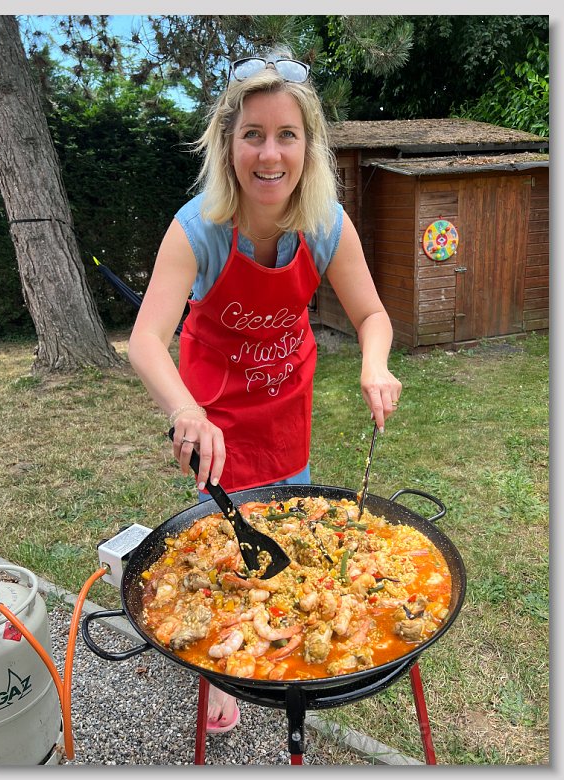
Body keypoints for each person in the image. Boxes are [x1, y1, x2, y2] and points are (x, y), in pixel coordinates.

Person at [128, 50, 402, 734]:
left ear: (309, 145)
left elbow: (372, 314)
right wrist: (185, 412)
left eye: (287, 135)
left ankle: (280, 636)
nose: (270, 154)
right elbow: (145, 340)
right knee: (226, 545)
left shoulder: (325, 222)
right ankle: (224, 666)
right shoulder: (197, 227)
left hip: (285, 407)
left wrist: (375, 365)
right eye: (253, 134)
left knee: (289, 533)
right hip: (212, 415)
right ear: (228, 142)